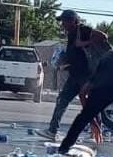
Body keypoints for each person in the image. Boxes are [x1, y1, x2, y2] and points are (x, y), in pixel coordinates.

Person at [39, 10, 107, 144]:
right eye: (62, 21)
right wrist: (65, 63)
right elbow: (75, 54)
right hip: (74, 75)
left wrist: (84, 43)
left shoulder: (83, 29)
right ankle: (52, 130)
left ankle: (97, 131)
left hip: (85, 76)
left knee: (89, 103)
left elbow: (103, 36)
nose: (63, 24)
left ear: (74, 21)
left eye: (65, 21)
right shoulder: (71, 34)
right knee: (62, 100)